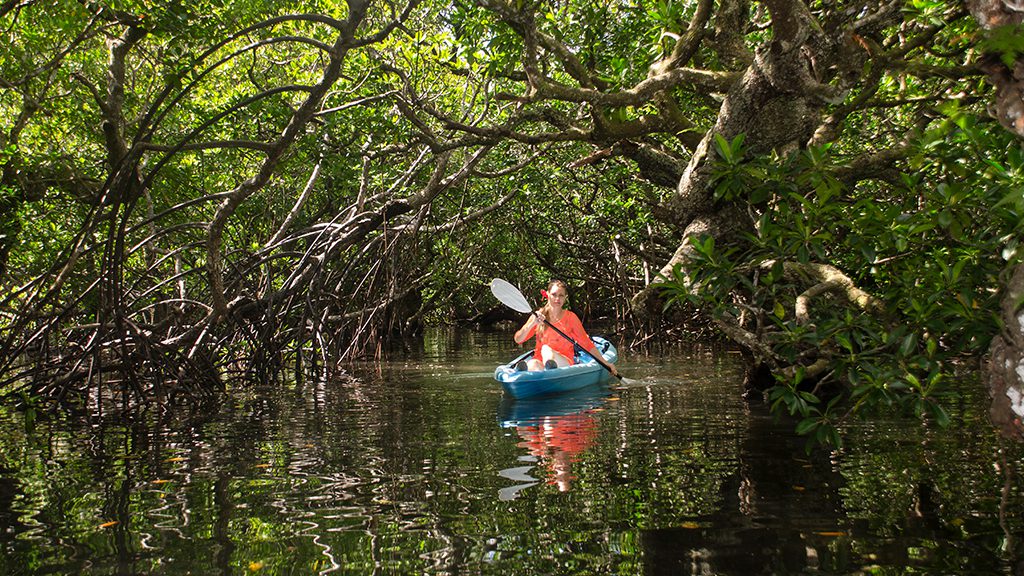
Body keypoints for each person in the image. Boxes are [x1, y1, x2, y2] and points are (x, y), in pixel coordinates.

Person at [513, 280, 618, 376]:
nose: (557, 299)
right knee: (533, 363)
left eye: (561, 295)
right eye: (554, 295)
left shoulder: (571, 318)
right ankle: (535, 375)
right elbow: (518, 339)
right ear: (547, 295)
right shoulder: (537, 316)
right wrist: (531, 324)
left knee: (546, 349)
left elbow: (586, 344)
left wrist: (605, 363)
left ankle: (549, 370)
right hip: (540, 361)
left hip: (564, 362)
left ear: (565, 298)